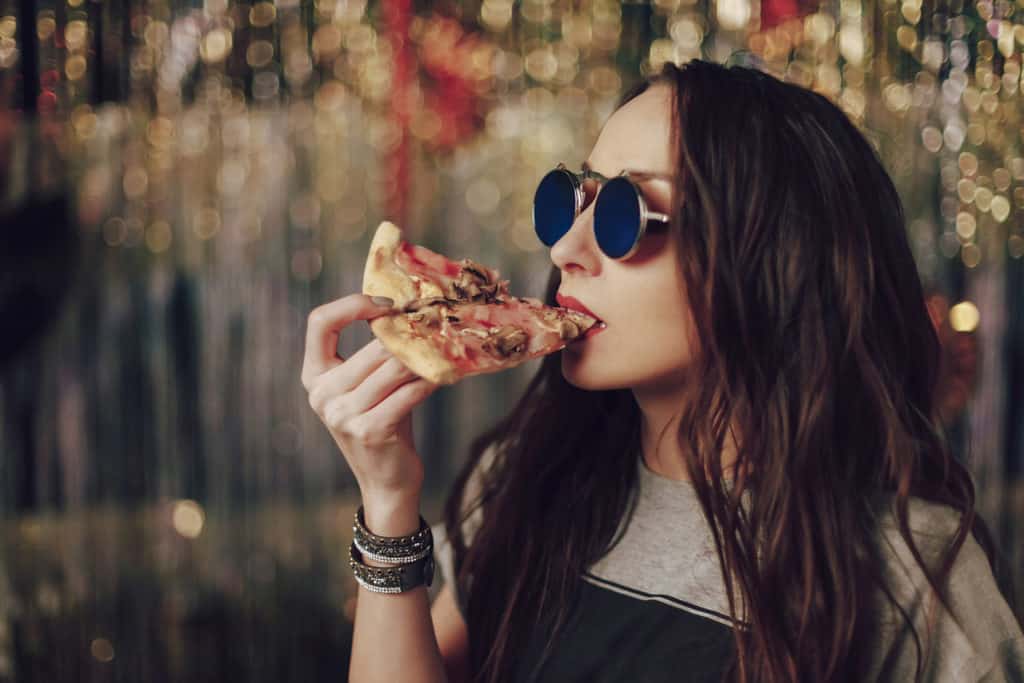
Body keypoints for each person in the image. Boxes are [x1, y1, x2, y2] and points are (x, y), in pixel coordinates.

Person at [301, 59, 1024, 682]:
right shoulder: (525, 477)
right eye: (571, 200)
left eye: (625, 213)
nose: (565, 252)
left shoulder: (915, 577)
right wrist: (388, 501)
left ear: (770, 262)